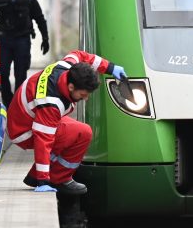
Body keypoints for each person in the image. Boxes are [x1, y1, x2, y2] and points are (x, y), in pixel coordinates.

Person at [7, 49, 128, 196]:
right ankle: (59, 178)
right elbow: (43, 140)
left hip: (25, 118)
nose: (86, 98)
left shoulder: (67, 67)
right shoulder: (51, 103)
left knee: (69, 131)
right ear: (71, 87)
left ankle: (36, 175)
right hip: (23, 131)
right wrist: (43, 181)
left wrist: (110, 67)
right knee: (82, 133)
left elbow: (80, 55)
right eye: (83, 94)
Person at [0, 0, 50, 104]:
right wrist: (12, 1)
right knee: (3, 73)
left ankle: (18, 102)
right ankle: (8, 100)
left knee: (20, 74)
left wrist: (45, 38)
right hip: (4, 40)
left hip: (22, 40)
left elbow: (40, 18)